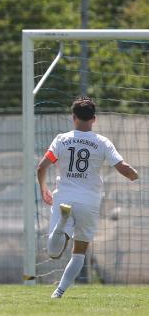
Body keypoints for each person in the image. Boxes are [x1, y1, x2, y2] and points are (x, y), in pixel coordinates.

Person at [37, 96, 138, 299]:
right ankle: (58, 293)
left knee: (53, 252)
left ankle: (62, 224)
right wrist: (134, 176)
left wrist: (43, 189)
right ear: (94, 119)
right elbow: (123, 168)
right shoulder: (102, 142)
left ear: (73, 117)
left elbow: (42, 166)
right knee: (80, 251)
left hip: (64, 196)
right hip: (89, 201)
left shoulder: (61, 139)